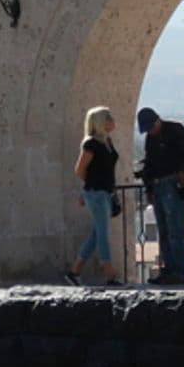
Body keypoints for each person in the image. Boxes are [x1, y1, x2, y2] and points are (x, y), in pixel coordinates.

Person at [137, 107, 184, 285]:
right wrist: (149, 188)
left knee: (176, 231)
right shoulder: (150, 138)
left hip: (173, 185)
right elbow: (150, 162)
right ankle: (169, 270)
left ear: (158, 120)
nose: (150, 131)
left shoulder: (175, 130)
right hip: (158, 187)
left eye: (151, 127)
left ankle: (180, 272)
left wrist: (183, 172)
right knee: (164, 231)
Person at [64, 106, 121, 286]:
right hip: (96, 193)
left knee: (97, 234)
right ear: (100, 122)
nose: (112, 120)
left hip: (104, 192)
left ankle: (74, 271)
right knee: (102, 233)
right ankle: (109, 272)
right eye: (108, 117)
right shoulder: (91, 144)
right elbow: (80, 170)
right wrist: (90, 186)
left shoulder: (107, 141)